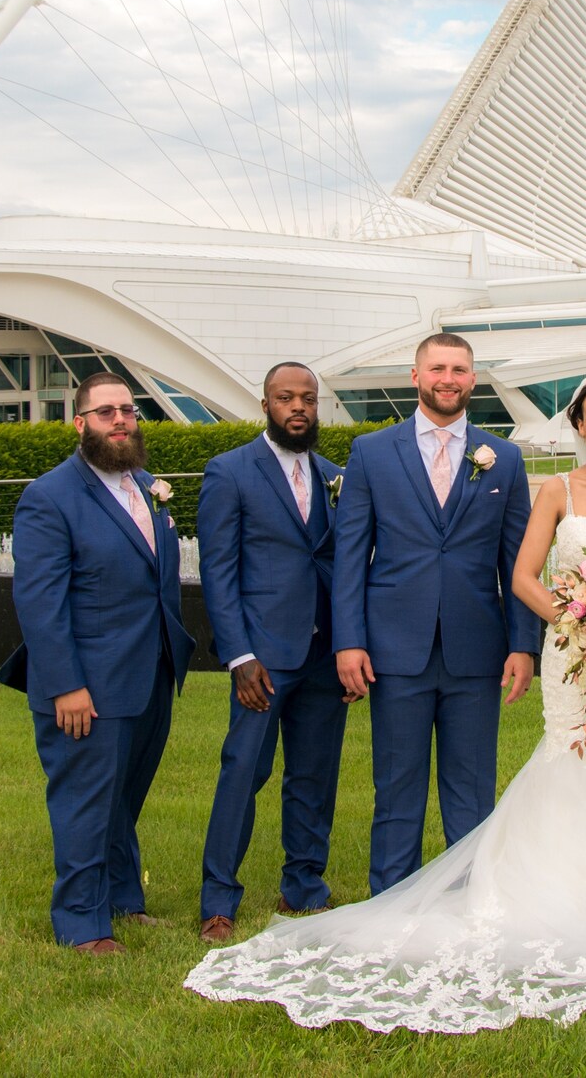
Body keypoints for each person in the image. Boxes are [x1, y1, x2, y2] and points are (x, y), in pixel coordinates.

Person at [184, 368, 586, 1030]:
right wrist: (580, 618)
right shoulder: (489, 475)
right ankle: (284, 896)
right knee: (324, 775)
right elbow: (488, 569)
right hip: (507, 645)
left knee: (571, 769)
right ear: (579, 424)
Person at [0, 372, 194, 955]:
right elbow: (39, 601)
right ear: (80, 424)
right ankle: (82, 922)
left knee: (123, 799)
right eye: (106, 412)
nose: (121, 420)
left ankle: (124, 901)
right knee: (86, 801)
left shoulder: (147, 485)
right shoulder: (49, 497)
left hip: (150, 674)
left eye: (129, 411)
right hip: (88, 686)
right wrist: (65, 686)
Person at [328, 332, 537, 893]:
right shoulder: (372, 453)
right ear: (416, 376)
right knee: (397, 787)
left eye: (461, 369)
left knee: (471, 790)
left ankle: (469, 901)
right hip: (396, 650)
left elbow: (516, 562)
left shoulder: (504, 458)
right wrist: (349, 640)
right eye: (438, 368)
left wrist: (524, 645)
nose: (449, 379)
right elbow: (351, 555)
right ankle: (389, 901)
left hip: (476, 650)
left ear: (474, 378)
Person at [194, 362, 347, 944]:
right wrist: (238, 655)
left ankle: (304, 886)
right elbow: (218, 571)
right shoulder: (229, 472)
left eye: (307, 398)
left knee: (314, 775)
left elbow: (342, 563)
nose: (298, 407)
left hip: (324, 655)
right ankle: (217, 900)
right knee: (243, 773)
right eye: (286, 398)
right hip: (263, 658)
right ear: (265, 405)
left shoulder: (336, 475)